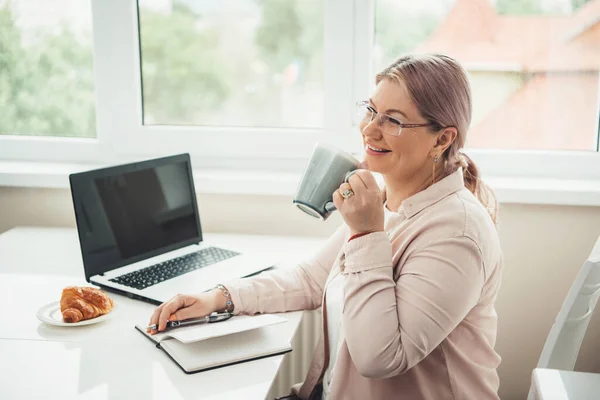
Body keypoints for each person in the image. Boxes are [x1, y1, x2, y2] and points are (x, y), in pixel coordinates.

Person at [148, 53, 503, 400]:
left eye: (393, 120)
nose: (369, 129)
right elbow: (311, 279)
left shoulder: (458, 233)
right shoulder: (386, 201)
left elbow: (380, 358)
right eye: (371, 110)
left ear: (442, 140)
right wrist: (218, 298)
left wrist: (366, 233)